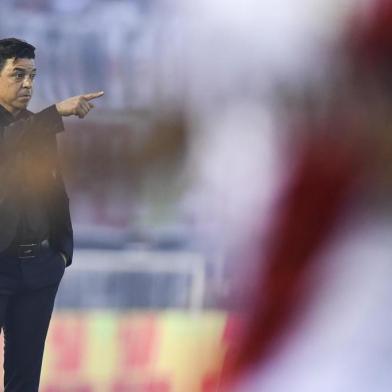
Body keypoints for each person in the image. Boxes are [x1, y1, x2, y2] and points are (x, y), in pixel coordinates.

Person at [0, 37, 103, 391]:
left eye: (32, 76)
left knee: (24, 379)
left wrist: (60, 252)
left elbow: (54, 189)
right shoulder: (40, 124)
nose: (28, 84)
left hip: (40, 267)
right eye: (18, 75)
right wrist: (56, 111)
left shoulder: (38, 126)